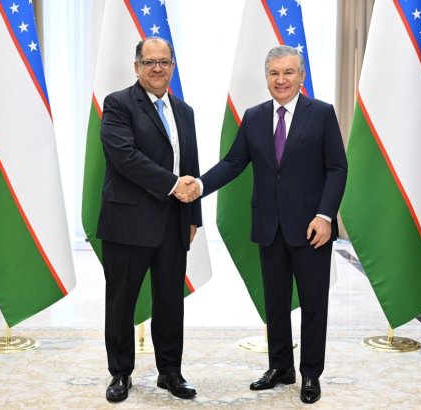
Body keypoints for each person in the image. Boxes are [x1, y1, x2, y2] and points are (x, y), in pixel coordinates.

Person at [180, 45, 347, 404]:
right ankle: (280, 367)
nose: (281, 80)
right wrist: (200, 186)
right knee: (275, 302)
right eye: (274, 73)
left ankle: (310, 374)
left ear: (301, 76)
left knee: (314, 304)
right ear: (266, 77)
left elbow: (337, 167)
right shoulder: (254, 116)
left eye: (288, 72)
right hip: (269, 225)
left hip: (312, 229)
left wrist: (325, 216)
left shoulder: (321, 113)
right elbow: (233, 163)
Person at [97, 36, 202, 403]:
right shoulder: (118, 104)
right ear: (137, 66)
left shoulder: (185, 111)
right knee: (121, 302)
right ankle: (120, 372)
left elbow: (191, 166)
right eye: (150, 62)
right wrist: (173, 185)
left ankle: (170, 372)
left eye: (164, 62)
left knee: (171, 302)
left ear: (172, 66)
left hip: (174, 222)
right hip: (128, 222)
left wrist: (193, 216)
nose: (157, 68)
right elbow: (124, 157)